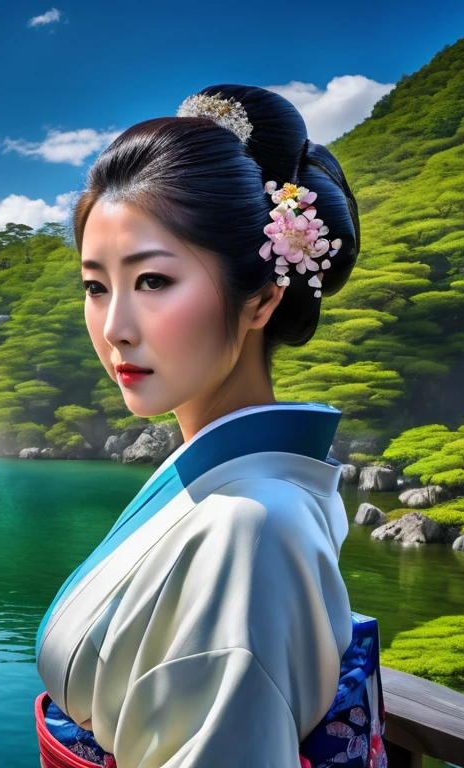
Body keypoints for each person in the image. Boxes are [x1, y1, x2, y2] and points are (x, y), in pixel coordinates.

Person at [33, 85, 386, 768]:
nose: (114, 330)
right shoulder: (249, 481)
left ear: (260, 299)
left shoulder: (248, 528)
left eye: (153, 282)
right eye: (96, 286)